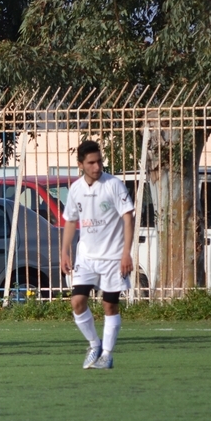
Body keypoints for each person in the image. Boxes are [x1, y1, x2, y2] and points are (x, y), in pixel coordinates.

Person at [60, 140, 134, 370]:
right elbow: (71, 221)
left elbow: (128, 217)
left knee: (109, 306)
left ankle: (107, 355)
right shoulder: (76, 189)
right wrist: (64, 251)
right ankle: (94, 345)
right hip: (86, 257)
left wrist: (126, 253)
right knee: (77, 301)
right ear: (81, 164)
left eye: (99, 161)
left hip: (113, 258)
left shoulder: (113, 185)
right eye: (91, 163)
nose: (97, 166)